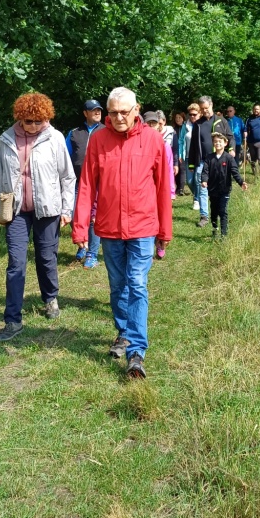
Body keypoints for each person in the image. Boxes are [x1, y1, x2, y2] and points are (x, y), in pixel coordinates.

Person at [72, 87, 172, 379]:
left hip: (143, 227)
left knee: (137, 283)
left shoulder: (153, 140)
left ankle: (136, 351)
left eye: (123, 112)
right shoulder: (98, 139)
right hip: (109, 228)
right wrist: (81, 227)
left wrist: (165, 230)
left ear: (136, 109)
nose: (117, 118)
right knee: (118, 286)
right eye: (113, 112)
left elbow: (163, 188)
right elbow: (87, 185)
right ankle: (124, 331)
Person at [0, 92, 75, 341]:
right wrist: (0, 209)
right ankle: (12, 320)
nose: (33, 126)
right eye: (28, 121)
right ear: (20, 118)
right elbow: (0, 176)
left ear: (46, 118)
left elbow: (67, 176)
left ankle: (50, 298)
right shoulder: (7, 138)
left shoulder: (54, 137)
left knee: (46, 258)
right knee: (16, 263)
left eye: (38, 121)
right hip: (17, 211)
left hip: (48, 209)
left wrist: (67, 209)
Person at [65, 99, 104, 269]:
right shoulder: (74, 133)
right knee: (74, 215)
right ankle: (83, 243)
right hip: (76, 183)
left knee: (94, 219)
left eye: (99, 110)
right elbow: (65, 157)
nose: (97, 112)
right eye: (93, 110)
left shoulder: (106, 132)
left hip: (98, 184)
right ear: (85, 113)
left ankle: (92, 254)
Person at [188, 96, 234, 228]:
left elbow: (230, 137)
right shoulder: (198, 124)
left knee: (218, 188)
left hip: (218, 161)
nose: (204, 111)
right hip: (203, 161)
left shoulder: (221, 121)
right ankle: (204, 216)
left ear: (211, 105)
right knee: (202, 187)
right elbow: (193, 145)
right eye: (202, 109)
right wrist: (191, 163)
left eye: (206, 108)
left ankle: (221, 212)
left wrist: (231, 149)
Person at [201, 130, 247, 239]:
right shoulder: (209, 158)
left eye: (220, 141)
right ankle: (215, 228)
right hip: (212, 190)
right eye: (215, 141)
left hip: (224, 190)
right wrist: (204, 180)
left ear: (225, 143)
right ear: (213, 143)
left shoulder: (229, 158)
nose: (217, 143)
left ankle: (223, 234)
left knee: (223, 211)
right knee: (214, 211)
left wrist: (241, 182)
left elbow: (235, 172)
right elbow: (205, 171)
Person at [143, 111, 176, 258]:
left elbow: (169, 170)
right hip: (146, 189)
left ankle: (160, 243)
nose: (151, 126)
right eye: (148, 123)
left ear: (159, 125)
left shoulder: (164, 145)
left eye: (154, 123)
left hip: (161, 187)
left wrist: (171, 192)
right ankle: (149, 245)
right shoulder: (140, 144)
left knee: (161, 215)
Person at [183, 103, 201, 209]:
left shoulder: (202, 124)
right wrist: (181, 154)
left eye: (194, 114)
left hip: (199, 157)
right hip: (188, 157)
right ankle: (199, 194)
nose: (192, 116)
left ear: (199, 114)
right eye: (190, 114)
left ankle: (197, 199)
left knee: (197, 179)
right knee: (189, 181)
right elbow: (181, 141)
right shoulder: (186, 125)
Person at [171, 112, 187, 195]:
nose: (178, 119)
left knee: (182, 168)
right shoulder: (173, 128)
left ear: (183, 118)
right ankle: (178, 187)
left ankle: (181, 188)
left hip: (183, 151)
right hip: (175, 151)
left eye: (179, 117)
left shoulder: (185, 127)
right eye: (176, 117)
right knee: (176, 168)